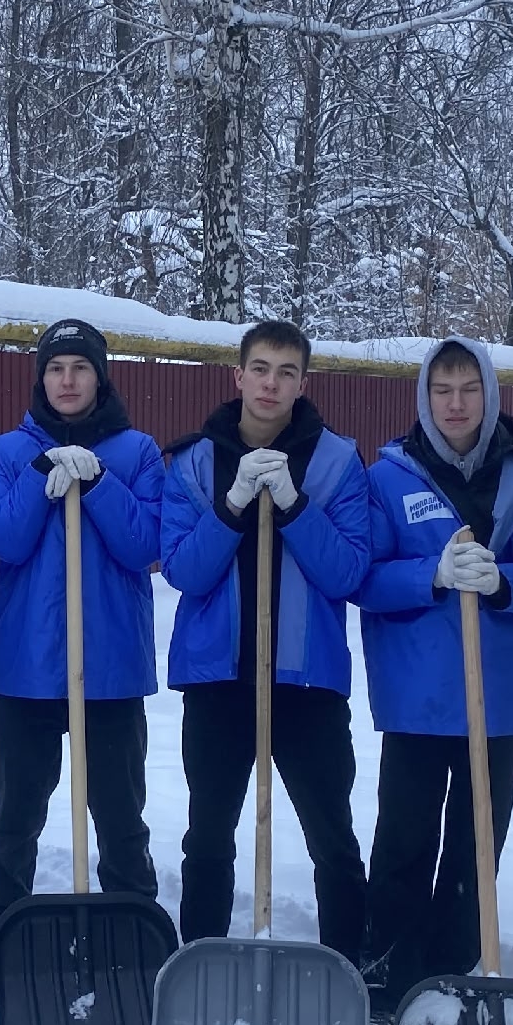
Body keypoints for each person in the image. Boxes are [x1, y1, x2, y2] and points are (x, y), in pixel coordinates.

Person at [356, 336, 513, 1022]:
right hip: (418, 694)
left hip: (500, 697)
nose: (456, 404)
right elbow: (364, 578)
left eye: (469, 389)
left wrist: (509, 581)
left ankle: (452, 974)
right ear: (425, 398)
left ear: (489, 395)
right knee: (404, 840)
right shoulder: (388, 478)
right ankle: (388, 975)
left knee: (478, 845)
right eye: (442, 390)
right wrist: (434, 573)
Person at [159, 320, 371, 958]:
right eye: (260, 369)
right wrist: (231, 505)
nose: (271, 384)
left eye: (286, 372)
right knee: (208, 836)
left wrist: (295, 507)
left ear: (303, 382)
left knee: (332, 837)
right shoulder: (195, 462)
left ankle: (348, 971)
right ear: (239, 376)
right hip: (218, 679)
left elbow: (346, 572)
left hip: (306, 680)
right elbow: (184, 572)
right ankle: (200, 965)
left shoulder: (337, 462)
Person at [0, 318, 164, 913]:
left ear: (100, 377)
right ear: (41, 378)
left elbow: (143, 545)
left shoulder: (137, 451)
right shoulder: (8, 452)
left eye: (81, 368)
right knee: (17, 810)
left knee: (119, 810)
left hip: (110, 665)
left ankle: (131, 920)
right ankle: (8, 919)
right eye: (56, 368)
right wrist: (38, 478)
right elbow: (1, 540)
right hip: (26, 662)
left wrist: (100, 482)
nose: (67, 380)